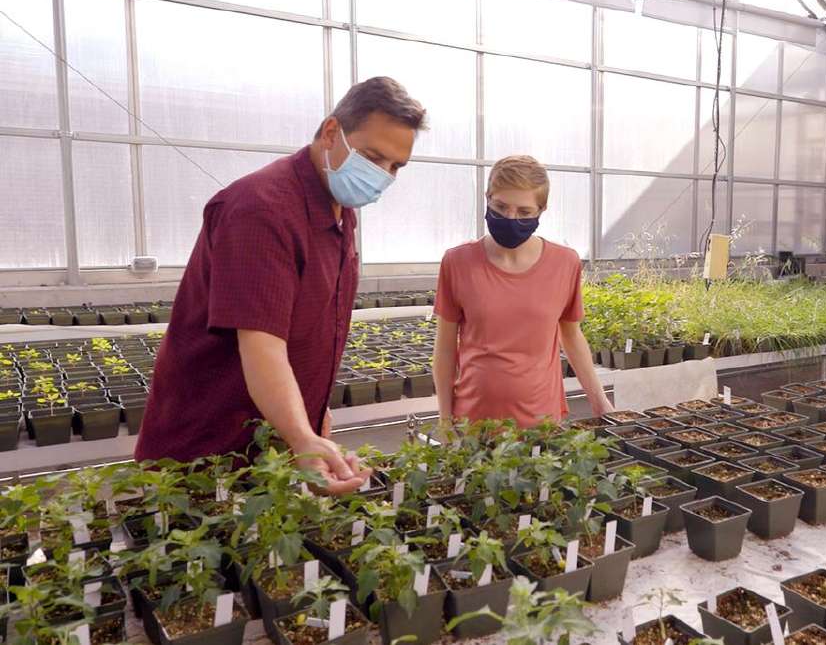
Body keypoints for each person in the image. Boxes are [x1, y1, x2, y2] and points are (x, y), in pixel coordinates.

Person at [135, 77, 426, 495]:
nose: (381, 176)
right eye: (373, 157)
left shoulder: (339, 210)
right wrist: (302, 438)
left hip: (272, 449)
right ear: (331, 133)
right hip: (210, 452)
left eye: (395, 167)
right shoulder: (261, 209)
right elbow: (264, 346)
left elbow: (313, 336)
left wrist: (314, 431)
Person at [432, 155, 613, 432]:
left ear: (542, 209)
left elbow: (572, 335)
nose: (510, 218)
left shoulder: (564, 263)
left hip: (541, 420)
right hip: (473, 421)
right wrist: (445, 420)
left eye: (524, 212)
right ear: (487, 197)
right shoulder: (458, 262)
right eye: (501, 206)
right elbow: (445, 348)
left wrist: (600, 402)